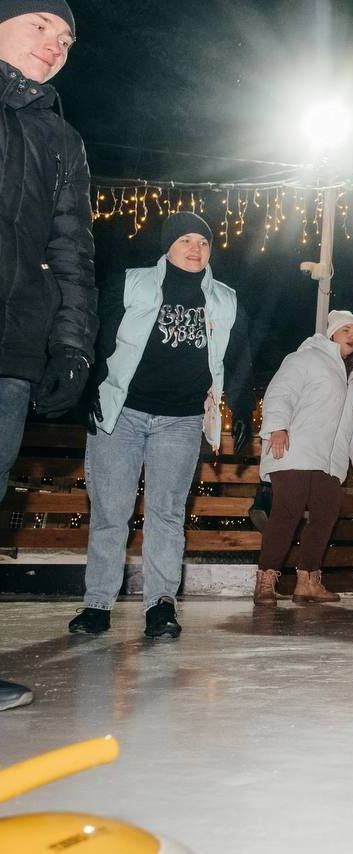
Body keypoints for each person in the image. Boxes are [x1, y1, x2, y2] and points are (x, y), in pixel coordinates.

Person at [67, 212, 253, 639]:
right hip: (122, 414)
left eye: (203, 243)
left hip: (182, 420)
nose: (195, 249)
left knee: (166, 515)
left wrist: (241, 407)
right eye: (186, 240)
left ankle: (160, 605)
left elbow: (239, 357)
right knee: (111, 512)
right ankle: (97, 604)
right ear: (168, 246)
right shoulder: (130, 283)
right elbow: (97, 336)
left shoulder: (225, 299)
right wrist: (88, 388)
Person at [0, 1, 91, 708]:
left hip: (12, 345)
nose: (54, 45)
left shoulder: (60, 139)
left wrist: (70, 342)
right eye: (40, 27)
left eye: (64, 39)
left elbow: (70, 250)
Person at [252, 310, 353, 606]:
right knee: (288, 510)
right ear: (331, 333)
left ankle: (308, 580)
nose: (351, 335)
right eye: (345, 329)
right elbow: (280, 393)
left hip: (330, 460)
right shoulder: (305, 359)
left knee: (326, 513)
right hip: (295, 448)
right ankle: (266, 578)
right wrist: (277, 427)